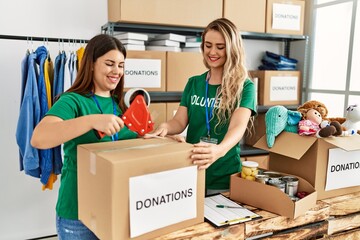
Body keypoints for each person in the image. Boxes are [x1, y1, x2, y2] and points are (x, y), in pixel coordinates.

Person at [31, 34, 137, 239]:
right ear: (90, 65)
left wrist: (163, 139)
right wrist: (91, 121)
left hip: (118, 208)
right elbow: (39, 137)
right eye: (109, 64)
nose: (117, 71)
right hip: (78, 214)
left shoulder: (123, 103)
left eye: (121, 65)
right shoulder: (73, 101)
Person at [147, 18, 257, 196]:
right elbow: (180, 121)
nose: (212, 52)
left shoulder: (245, 87)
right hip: (191, 170)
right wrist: (165, 127)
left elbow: (238, 126)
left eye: (220, 47)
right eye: (208, 45)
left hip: (223, 175)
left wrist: (219, 150)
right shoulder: (194, 83)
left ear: (232, 49)